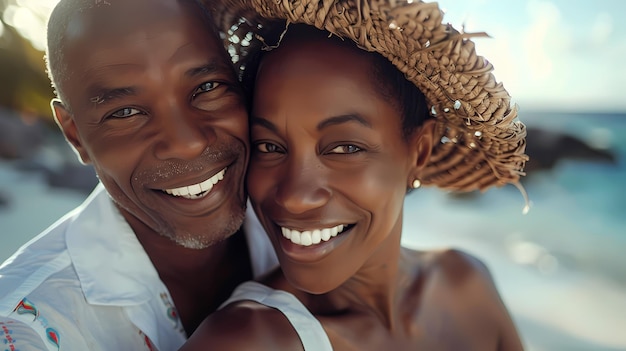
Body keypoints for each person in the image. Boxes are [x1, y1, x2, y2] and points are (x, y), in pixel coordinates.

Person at [182, 0, 528, 350]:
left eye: (344, 148)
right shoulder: (246, 341)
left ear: (419, 151)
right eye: (269, 147)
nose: (295, 196)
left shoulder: (468, 284)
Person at [0, 0, 277, 349]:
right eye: (126, 112)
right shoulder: (27, 328)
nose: (187, 143)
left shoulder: (313, 224)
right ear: (75, 137)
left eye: (208, 87)